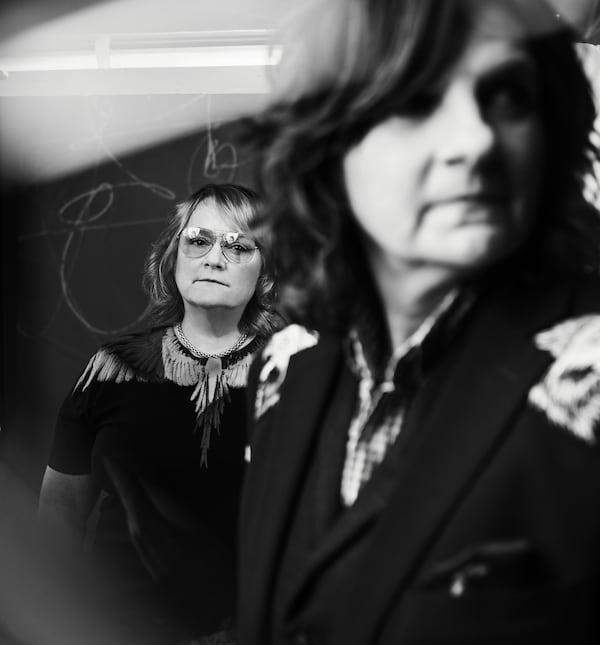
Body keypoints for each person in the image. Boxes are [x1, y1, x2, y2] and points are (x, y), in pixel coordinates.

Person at [235, 0, 600, 643]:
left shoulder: (588, 372)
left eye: (509, 95)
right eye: (415, 101)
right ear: (326, 138)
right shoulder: (285, 362)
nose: (477, 139)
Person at [38, 183, 281, 644]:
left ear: (266, 270)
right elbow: (59, 513)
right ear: (173, 256)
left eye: (239, 246)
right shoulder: (112, 369)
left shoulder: (294, 374)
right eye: (198, 241)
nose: (214, 259)